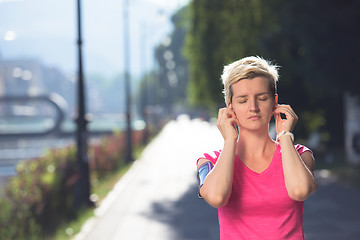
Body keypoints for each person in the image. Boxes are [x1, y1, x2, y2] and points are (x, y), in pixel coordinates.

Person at [196, 56, 317, 239]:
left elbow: (300, 191)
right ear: (230, 106)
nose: (253, 107)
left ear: (274, 102)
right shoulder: (210, 161)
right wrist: (230, 141)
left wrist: (285, 135)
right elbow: (216, 197)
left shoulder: (300, 154)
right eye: (243, 100)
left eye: (262, 98)